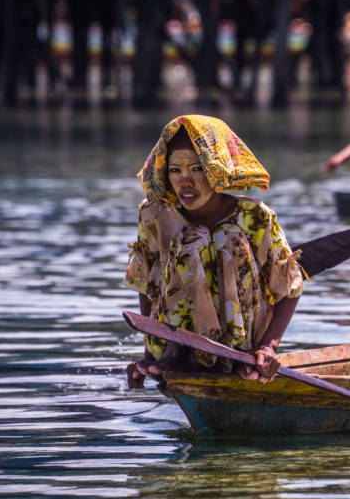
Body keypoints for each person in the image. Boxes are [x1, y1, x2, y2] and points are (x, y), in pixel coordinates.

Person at [124, 115, 305, 389]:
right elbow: (145, 282)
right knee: (190, 240)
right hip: (175, 343)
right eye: (175, 170)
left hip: (240, 343)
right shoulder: (154, 214)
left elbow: (290, 287)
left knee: (224, 238)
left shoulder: (254, 216)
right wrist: (151, 350)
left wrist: (268, 348)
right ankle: (174, 353)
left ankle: (237, 354)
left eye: (197, 169)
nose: (185, 182)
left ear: (216, 169)